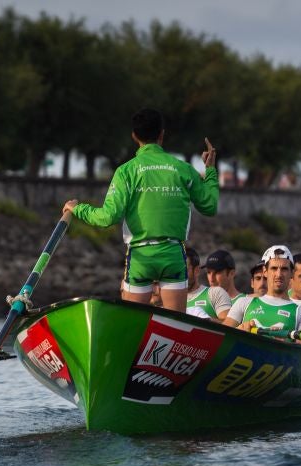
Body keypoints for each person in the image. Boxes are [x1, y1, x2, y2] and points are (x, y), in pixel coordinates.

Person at [63, 108, 218, 313]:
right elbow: (209, 206)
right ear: (162, 134)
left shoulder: (126, 171)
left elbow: (107, 217)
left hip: (140, 257)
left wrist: (77, 209)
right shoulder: (183, 169)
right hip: (172, 255)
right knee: (175, 327)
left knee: (131, 325)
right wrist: (210, 171)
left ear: (134, 136)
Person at [224, 245, 301, 334]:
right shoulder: (243, 302)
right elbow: (223, 336)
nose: (279, 274)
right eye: (274, 268)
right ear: (265, 272)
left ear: (292, 273)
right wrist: (239, 331)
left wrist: (284, 342)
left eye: (284, 269)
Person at [185, 248, 231, 322]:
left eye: (184, 270)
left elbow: (230, 326)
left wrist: (205, 320)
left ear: (196, 271)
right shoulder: (168, 299)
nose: (179, 275)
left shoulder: (215, 293)